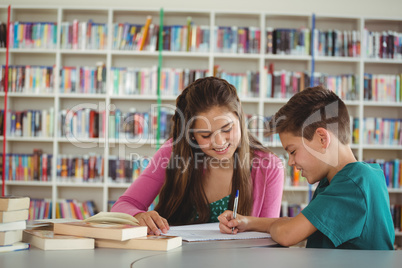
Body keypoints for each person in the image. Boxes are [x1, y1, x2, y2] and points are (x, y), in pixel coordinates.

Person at [218, 85, 395, 250]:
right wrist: (247, 222)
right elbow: (296, 223)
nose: (290, 162)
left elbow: (287, 233)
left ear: (322, 139)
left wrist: (281, 227)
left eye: (293, 151)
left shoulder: (353, 182)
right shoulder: (345, 179)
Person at [111, 76, 284, 235]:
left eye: (227, 129)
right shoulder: (172, 153)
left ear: (240, 119)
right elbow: (122, 206)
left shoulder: (269, 166)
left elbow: (269, 234)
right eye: (206, 135)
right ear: (191, 135)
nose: (219, 142)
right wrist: (138, 215)